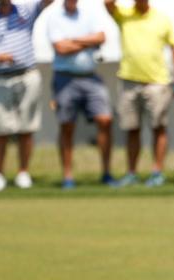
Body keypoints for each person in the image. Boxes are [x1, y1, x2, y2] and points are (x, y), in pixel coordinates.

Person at [0, 0, 55, 192]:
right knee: (0, 129)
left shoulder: (25, 11)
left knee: (26, 128)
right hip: (1, 78)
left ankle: (23, 172)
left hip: (27, 75)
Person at [105, 0, 174, 188]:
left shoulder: (162, 19)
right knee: (132, 129)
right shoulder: (124, 15)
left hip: (157, 82)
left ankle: (157, 172)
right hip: (129, 81)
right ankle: (131, 173)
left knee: (158, 128)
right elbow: (107, 4)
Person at [48, 0, 114, 189]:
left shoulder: (88, 14)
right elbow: (61, 49)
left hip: (90, 76)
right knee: (67, 126)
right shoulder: (54, 17)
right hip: (65, 78)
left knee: (105, 120)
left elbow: (101, 38)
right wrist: (87, 41)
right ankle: (68, 176)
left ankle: (106, 173)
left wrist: (74, 40)